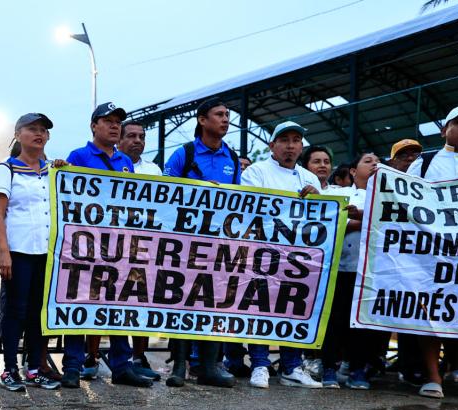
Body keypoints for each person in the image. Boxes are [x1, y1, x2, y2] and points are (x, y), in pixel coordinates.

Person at [61, 103, 155, 389]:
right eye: (108, 121)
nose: (115, 126)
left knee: (118, 305)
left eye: (118, 122)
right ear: (94, 126)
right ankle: (73, 366)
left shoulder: (125, 161)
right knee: (79, 304)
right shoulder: (79, 156)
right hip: (86, 246)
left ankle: (121, 365)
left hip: (118, 246)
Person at [163, 98, 241, 388]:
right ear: (202, 120)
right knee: (182, 301)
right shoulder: (183, 154)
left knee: (214, 302)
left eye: (227, 114)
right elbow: (165, 193)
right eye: (219, 114)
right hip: (185, 243)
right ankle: (180, 366)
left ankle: (209, 365)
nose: (225, 119)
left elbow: (238, 201)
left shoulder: (231, 158)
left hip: (218, 244)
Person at [240, 121, 324, 389]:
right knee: (260, 307)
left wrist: (317, 199)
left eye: (296, 140)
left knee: (294, 306)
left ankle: (291, 366)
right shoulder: (256, 172)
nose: (290, 145)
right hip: (264, 253)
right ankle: (260, 364)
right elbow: (250, 207)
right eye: (284, 140)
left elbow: (323, 219)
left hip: (298, 257)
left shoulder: (309, 178)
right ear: (272, 145)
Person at [0, 114, 62, 391]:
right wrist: (3, 251)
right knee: (15, 311)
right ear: (18, 134)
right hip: (19, 250)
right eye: (32, 129)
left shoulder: (53, 170)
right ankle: (9, 368)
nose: (39, 134)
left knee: (38, 312)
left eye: (43, 130)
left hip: (46, 252)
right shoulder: (6, 169)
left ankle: (34, 366)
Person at [406, 104, 458, 398]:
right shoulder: (425, 162)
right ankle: (433, 377)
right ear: (445, 129)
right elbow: (404, 201)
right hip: (430, 254)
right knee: (430, 313)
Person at [320, 152, 382, 390]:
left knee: (364, 324)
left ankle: (359, 370)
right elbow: (330, 222)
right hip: (341, 269)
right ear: (353, 172)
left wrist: (356, 219)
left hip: (373, 272)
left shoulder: (390, 196)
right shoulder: (338, 193)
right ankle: (329, 368)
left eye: (378, 161)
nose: (375, 164)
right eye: (368, 161)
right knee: (335, 320)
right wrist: (365, 221)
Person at [117, 118, 164, 372]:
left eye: (142, 137)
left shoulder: (154, 171)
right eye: (132, 136)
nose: (137, 141)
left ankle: (138, 356)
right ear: (119, 139)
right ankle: (92, 358)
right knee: (104, 300)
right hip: (111, 247)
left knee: (140, 302)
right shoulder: (110, 164)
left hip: (144, 248)